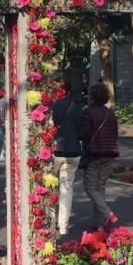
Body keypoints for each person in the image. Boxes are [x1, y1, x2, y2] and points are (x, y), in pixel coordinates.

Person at [79, 83, 119, 233]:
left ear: (92, 96)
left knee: (89, 187)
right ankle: (99, 223)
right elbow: (115, 134)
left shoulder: (88, 112)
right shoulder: (110, 113)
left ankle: (107, 213)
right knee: (100, 187)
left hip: (94, 154)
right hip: (109, 153)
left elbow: (84, 133)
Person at [50, 75, 84, 233]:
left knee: (49, 186)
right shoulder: (77, 107)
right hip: (73, 150)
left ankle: (49, 221)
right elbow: (81, 130)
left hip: (55, 150)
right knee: (67, 188)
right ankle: (63, 225)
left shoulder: (53, 106)